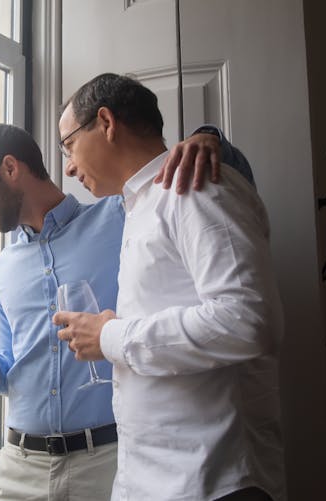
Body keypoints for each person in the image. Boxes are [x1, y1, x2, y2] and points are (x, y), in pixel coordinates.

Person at [0, 122, 253, 500]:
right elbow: (8, 374)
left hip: (109, 463)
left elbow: (212, 188)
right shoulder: (3, 266)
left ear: (9, 168)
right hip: (20, 469)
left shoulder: (120, 216)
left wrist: (209, 138)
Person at [53, 73, 285, 501]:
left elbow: (248, 321)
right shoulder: (140, 206)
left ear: (106, 122)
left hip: (215, 480)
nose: (67, 166)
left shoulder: (196, 185)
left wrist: (110, 336)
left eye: (68, 145)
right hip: (156, 479)